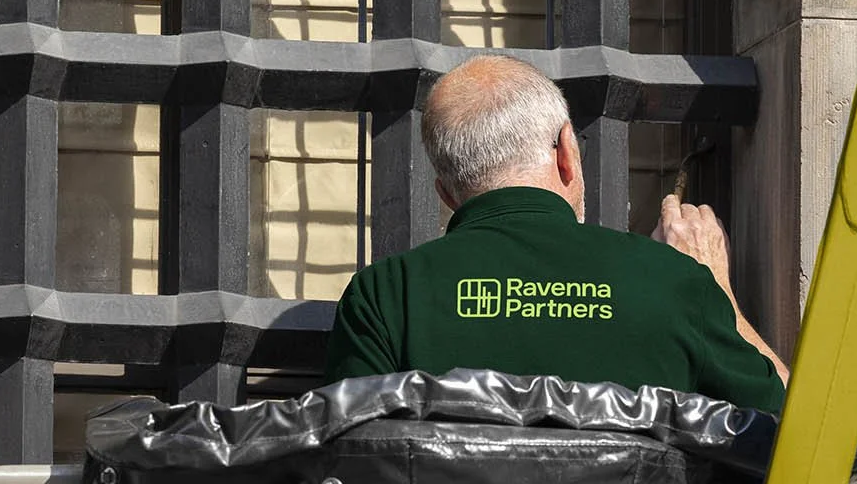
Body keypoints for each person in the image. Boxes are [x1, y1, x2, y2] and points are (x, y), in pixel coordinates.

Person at [323, 54, 788, 413]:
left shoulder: (384, 295)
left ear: (446, 193)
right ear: (568, 150)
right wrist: (717, 291)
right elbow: (814, 444)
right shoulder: (675, 283)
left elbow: (348, 467)